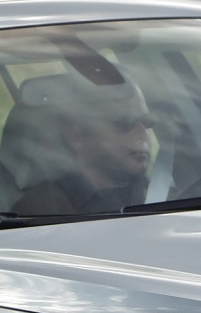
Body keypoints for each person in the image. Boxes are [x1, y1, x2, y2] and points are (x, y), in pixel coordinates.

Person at [13, 72, 154, 216]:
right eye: (124, 123)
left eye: (148, 122)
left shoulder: (169, 195)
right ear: (76, 136)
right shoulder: (39, 211)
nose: (143, 134)